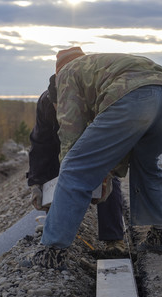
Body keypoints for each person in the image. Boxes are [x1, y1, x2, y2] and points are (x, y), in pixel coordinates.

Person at [28, 47, 162, 269]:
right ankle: (160, 235)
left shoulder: (65, 76)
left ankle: (52, 252)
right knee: (147, 166)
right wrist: (107, 173)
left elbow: (72, 138)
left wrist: (78, 179)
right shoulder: (98, 67)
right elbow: (115, 145)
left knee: (74, 166)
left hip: (132, 96)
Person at [26, 74, 127, 255]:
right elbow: (40, 144)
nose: (60, 110)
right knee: (55, 173)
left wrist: (109, 173)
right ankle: (55, 227)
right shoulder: (45, 104)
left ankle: (114, 240)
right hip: (62, 145)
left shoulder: (96, 100)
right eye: (57, 105)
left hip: (94, 143)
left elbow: (112, 142)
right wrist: (35, 182)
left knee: (107, 180)